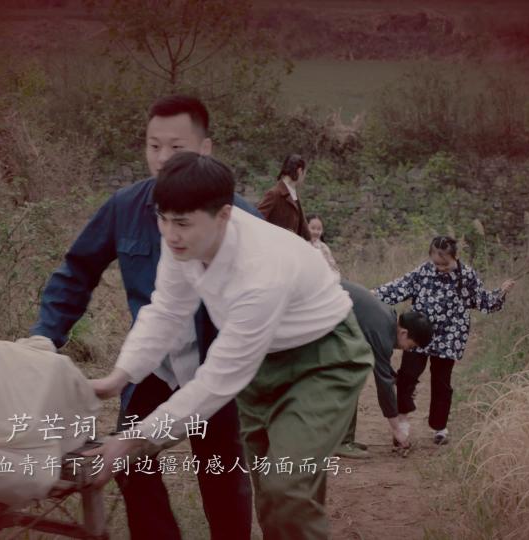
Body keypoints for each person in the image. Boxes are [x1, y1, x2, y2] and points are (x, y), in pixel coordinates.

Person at [86, 152, 375, 540]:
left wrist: (132, 440)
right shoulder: (182, 241)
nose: (170, 233)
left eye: (182, 223)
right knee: (273, 493)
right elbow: (166, 311)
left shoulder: (260, 270)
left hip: (323, 359)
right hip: (262, 361)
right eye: (162, 218)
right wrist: (120, 376)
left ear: (223, 215)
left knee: (285, 487)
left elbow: (216, 383)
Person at [31, 95, 254, 539]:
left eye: (177, 147)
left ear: (205, 149)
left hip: (217, 367)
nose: (162, 158)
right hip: (153, 363)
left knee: (221, 472)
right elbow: (78, 271)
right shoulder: (125, 207)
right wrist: (44, 336)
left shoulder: (239, 219)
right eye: (154, 146)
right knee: (129, 461)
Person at [373, 235, 516, 445]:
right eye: (436, 263)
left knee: (441, 381)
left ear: (455, 257)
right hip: (419, 333)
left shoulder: (467, 276)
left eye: (445, 264)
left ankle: (439, 427)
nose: (440, 268)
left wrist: (501, 292)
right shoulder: (424, 271)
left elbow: (483, 301)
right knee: (407, 377)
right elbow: (399, 287)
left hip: (449, 337)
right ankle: (402, 422)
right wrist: (372, 295)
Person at [335, 281, 434, 459]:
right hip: (316, 311)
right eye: (411, 346)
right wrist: (397, 429)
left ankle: (344, 440)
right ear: (404, 333)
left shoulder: (388, 318)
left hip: (328, 313)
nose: (408, 350)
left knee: (351, 376)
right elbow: (383, 384)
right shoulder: (382, 331)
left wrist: (397, 381)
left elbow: (384, 369)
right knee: (348, 380)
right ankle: (341, 442)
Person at [257, 154, 311, 241]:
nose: (304, 178)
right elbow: (256, 219)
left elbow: (305, 232)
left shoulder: (294, 195)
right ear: (300, 171)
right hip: (275, 245)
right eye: (304, 173)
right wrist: (281, 233)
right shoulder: (274, 193)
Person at [306, 214, 340, 279]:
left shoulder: (323, 247)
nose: (316, 232)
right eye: (313, 228)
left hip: (325, 279)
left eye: (319, 229)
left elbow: (334, 268)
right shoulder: (300, 244)